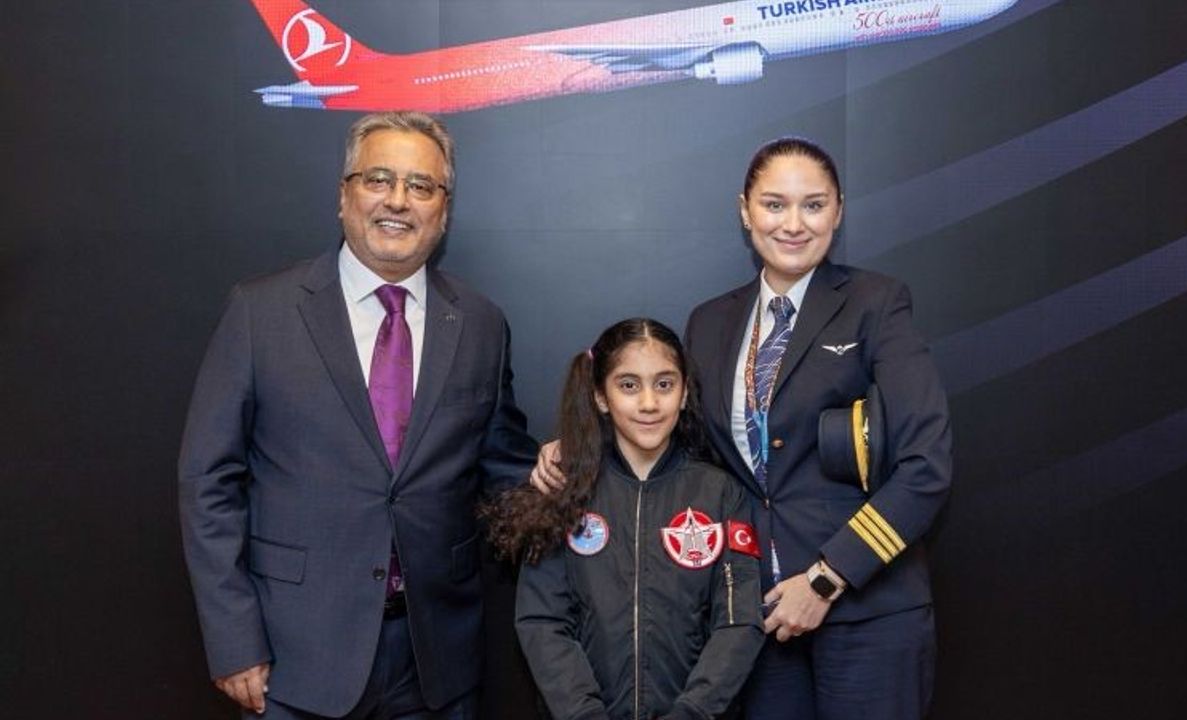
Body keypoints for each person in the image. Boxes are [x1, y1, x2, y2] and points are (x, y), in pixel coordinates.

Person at [531, 138, 951, 720]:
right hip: (760, 619)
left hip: (865, 611)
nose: (793, 224)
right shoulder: (711, 321)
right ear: (745, 211)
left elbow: (925, 467)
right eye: (775, 204)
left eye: (813, 205)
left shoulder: (875, 303)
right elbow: (683, 439)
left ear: (838, 211)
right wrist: (579, 445)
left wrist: (827, 579)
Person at [179, 111, 538, 719]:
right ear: (344, 195)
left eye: (421, 186)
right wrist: (234, 637)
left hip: (436, 661)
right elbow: (207, 482)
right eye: (378, 179)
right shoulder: (260, 312)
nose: (398, 200)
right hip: (295, 658)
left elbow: (502, 468)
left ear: (444, 210)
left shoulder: (481, 323)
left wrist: (565, 478)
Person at [490, 318, 764, 720]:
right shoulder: (565, 491)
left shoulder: (721, 494)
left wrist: (691, 712)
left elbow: (739, 623)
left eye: (664, 384)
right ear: (601, 397)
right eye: (629, 385)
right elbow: (542, 621)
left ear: (684, 394)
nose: (649, 403)